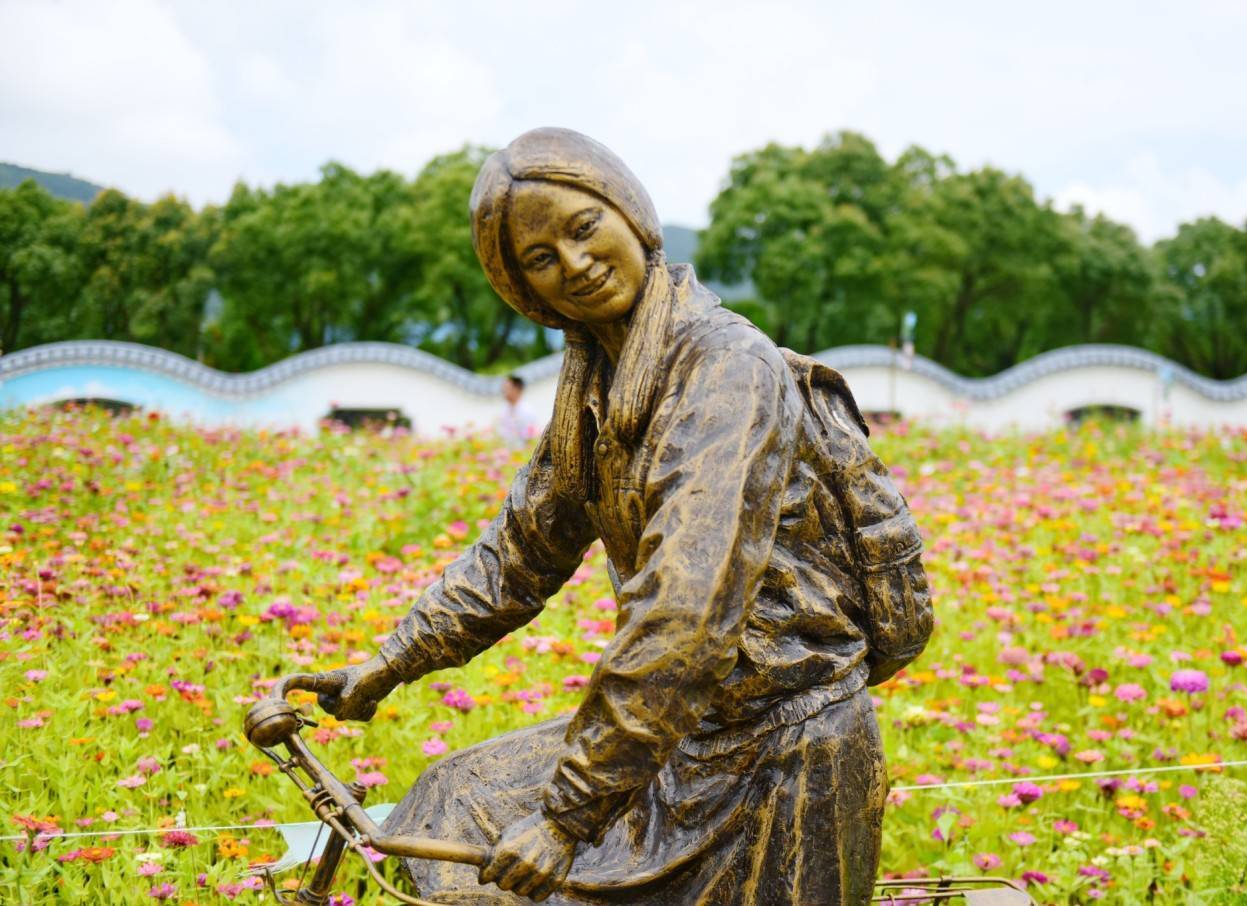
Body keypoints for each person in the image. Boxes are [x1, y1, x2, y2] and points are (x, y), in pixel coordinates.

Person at [313, 127, 933, 905]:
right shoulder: (595, 382)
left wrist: (567, 817)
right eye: (541, 259)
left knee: (513, 861)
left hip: (781, 754)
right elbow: (518, 553)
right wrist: (387, 663)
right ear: (524, 291)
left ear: (630, 213)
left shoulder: (724, 368)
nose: (574, 264)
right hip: (683, 739)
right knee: (451, 802)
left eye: (582, 228)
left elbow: (686, 614)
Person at [497, 374, 538, 449]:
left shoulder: (527, 411)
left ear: (517, 389)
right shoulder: (504, 410)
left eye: (506, 388)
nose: (503, 391)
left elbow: (529, 437)